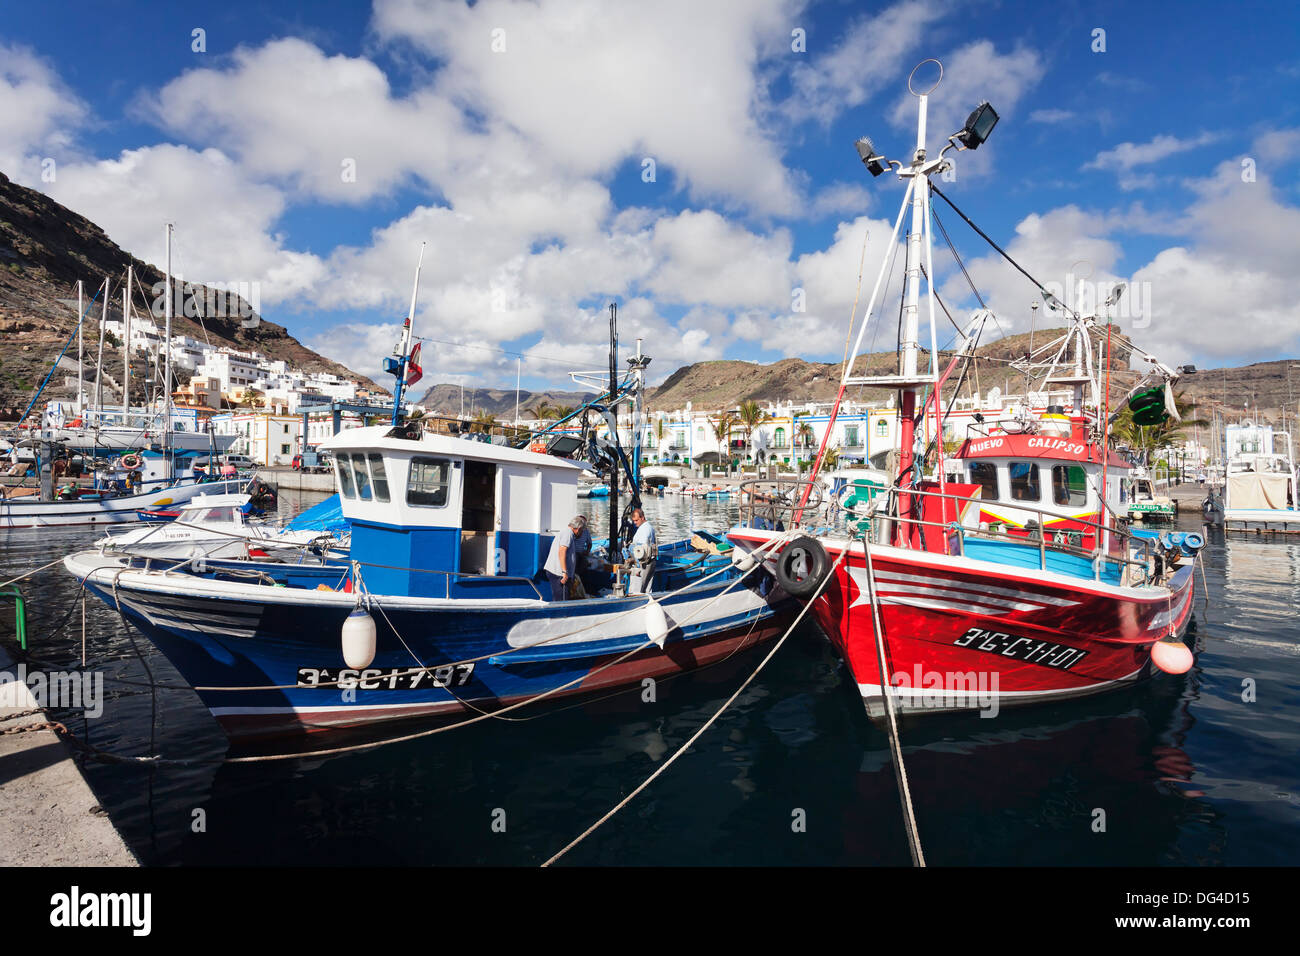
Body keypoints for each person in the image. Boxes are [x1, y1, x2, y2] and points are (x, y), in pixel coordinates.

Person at [543, 516, 584, 601]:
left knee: (560, 598)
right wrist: (564, 572)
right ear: (578, 528)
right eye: (582, 530)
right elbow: (562, 552)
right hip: (559, 574)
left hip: (559, 573)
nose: (582, 532)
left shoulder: (567, 533)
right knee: (561, 600)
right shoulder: (568, 533)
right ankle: (560, 614)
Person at [624, 507, 657, 594]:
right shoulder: (646, 527)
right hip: (647, 562)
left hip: (643, 564)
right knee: (646, 588)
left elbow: (641, 549)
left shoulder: (645, 529)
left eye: (636, 520)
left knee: (638, 589)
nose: (635, 523)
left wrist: (631, 557)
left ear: (642, 518)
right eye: (634, 521)